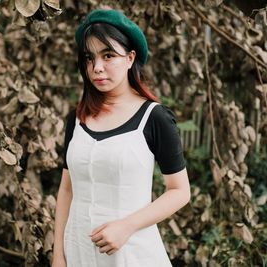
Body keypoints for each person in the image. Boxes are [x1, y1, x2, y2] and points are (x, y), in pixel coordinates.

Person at [52, 9, 191, 267]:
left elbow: (180, 191)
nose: (97, 67)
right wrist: (58, 254)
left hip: (131, 253)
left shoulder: (155, 118)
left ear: (130, 58)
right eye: (89, 58)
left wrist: (127, 226)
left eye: (108, 55)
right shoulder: (78, 118)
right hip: (78, 251)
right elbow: (67, 188)